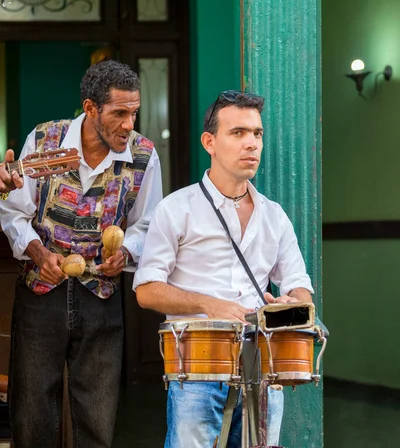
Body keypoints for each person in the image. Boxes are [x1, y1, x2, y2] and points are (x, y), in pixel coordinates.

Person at [134, 90, 314, 448]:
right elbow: (146, 289)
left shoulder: (274, 215)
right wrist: (211, 305)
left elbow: (300, 287)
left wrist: (287, 306)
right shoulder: (176, 209)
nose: (252, 144)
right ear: (209, 142)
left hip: (262, 365)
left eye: (257, 134)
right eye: (238, 133)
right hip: (197, 366)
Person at [0, 60, 163, 448]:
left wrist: (125, 252)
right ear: (91, 109)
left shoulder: (144, 155)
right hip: (40, 295)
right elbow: (13, 210)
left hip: (102, 298)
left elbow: (147, 224)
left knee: (97, 417)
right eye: (119, 113)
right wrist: (39, 254)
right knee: (32, 413)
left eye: (134, 112)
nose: (129, 124)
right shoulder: (44, 142)